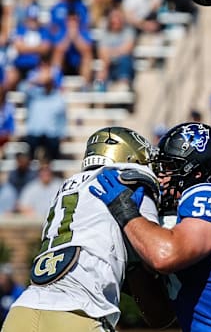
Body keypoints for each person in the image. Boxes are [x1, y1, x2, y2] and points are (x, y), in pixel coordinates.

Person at [87, 122, 211, 332]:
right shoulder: (178, 220)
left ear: (196, 173)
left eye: (169, 167)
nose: (160, 176)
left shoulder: (209, 194)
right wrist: (135, 263)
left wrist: (126, 212)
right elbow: (160, 317)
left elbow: (164, 256)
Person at [2, 127, 173, 332]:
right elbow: (155, 253)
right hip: (78, 312)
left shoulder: (67, 187)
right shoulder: (130, 180)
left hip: (23, 311)